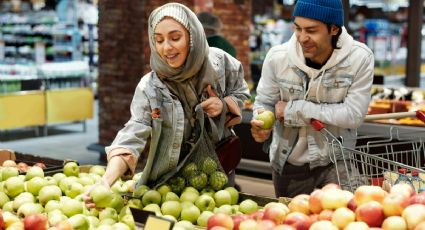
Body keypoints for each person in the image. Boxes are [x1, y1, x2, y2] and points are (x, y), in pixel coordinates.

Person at [83, 2, 249, 207]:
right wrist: (105, 181)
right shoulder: (150, 87)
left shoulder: (221, 64)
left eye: (175, 37)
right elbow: (133, 132)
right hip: (169, 182)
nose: (166, 48)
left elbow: (241, 94)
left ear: (192, 36)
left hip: (216, 169)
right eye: (158, 40)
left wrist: (223, 105)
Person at [250, 0, 374, 198]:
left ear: (334, 29)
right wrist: (261, 120)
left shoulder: (359, 58)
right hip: (290, 162)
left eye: (312, 30)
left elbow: (353, 115)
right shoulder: (277, 58)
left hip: (337, 159)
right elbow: (264, 103)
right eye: (297, 28)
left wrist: (293, 110)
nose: (302, 37)